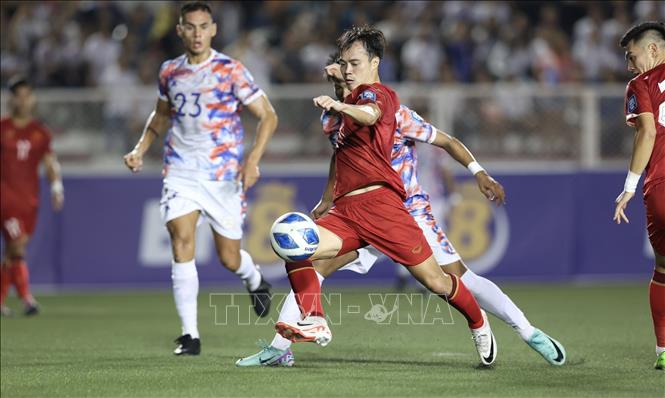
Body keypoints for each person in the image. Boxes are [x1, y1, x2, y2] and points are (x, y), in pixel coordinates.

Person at [236, 59, 566, 368]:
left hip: (407, 213)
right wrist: (327, 199)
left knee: (456, 279)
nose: (344, 83)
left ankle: (527, 331)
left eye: (350, 72)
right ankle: (280, 349)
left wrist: (478, 171)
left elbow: (448, 141)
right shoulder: (339, 120)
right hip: (359, 212)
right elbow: (339, 156)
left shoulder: (396, 115)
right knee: (307, 258)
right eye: (341, 76)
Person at [273, 26, 497, 366]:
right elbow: (340, 152)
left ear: (374, 63)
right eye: (343, 63)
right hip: (347, 210)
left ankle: (478, 323)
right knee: (294, 248)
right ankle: (314, 318)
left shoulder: (382, 96)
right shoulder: (336, 113)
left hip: (383, 206)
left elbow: (369, 115)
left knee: (436, 281)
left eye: (355, 63)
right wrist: (327, 197)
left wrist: (338, 102)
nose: (349, 70)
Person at [123, 1, 278, 356]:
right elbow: (161, 115)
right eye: (190, 27)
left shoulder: (230, 70)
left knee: (228, 257)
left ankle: (254, 279)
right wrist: (141, 148)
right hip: (181, 171)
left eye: (203, 26)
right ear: (180, 30)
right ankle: (190, 335)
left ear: (214, 29)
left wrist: (253, 160)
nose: (197, 33)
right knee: (181, 239)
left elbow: (268, 116)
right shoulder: (169, 72)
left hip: (223, 176)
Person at [613, 21, 665, 370]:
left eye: (632, 56)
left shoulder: (642, 84)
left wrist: (629, 186)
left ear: (652, 49)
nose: (630, 66)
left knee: (662, 269)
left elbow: (647, 131)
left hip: (661, 185)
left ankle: (664, 349)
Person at [0, 75, 64, 316]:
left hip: (30, 200)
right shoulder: (2, 128)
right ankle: (27, 298)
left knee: (12, 251)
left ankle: (4, 299)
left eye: (27, 95)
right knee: (18, 246)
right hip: (5, 198)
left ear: (33, 99)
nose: (23, 100)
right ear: (12, 99)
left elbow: (50, 162)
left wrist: (56, 187)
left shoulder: (40, 132)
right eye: (19, 96)